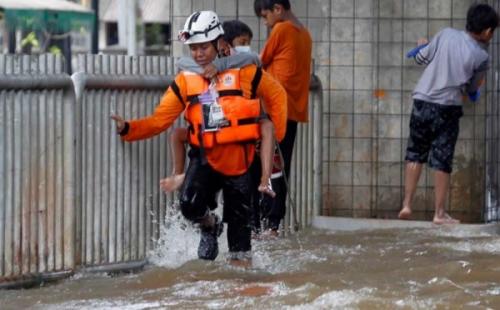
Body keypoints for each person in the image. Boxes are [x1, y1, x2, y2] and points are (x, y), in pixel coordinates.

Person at [111, 11, 287, 265]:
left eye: (203, 47)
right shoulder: (185, 81)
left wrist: (274, 140)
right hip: (204, 158)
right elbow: (160, 120)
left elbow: (277, 96)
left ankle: (238, 294)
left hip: (241, 164)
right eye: (193, 48)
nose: (198, 53)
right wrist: (128, 128)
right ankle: (210, 225)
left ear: (220, 44)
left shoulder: (247, 73)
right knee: (189, 205)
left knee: (240, 250)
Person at [398, 3, 498, 224]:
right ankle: (439, 213)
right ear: (488, 31)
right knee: (442, 160)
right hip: (447, 107)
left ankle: (406, 205)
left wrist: (422, 45)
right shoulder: (481, 56)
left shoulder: (445, 34)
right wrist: (473, 92)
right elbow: (472, 88)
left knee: (415, 152)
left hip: (422, 101)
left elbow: (421, 58)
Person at [160, 20, 277, 198]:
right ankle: (179, 176)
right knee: (177, 134)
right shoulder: (202, 62)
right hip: (213, 127)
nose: (245, 47)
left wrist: (219, 67)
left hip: (240, 128)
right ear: (223, 44)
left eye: (247, 43)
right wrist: (205, 70)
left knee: (266, 127)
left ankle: (265, 180)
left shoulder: (238, 63)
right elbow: (182, 62)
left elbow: (253, 58)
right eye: (241, 42)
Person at [253, 0, 312, 235]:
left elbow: (261, 59)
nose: (265, 22)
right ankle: (274, 224)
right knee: (280, 163)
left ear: (278, 9)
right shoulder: (304, 33)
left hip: (276, 108)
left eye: (265, 16)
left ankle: (267, 223)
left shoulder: (282, 29)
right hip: (294, 109)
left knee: (268, 164)